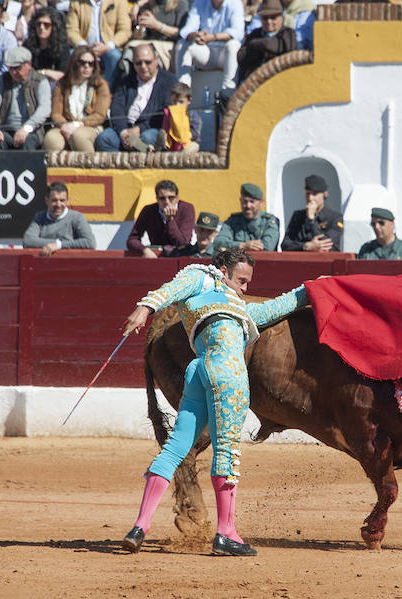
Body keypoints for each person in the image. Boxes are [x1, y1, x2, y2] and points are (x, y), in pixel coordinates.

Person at [120, 248, 311, 555]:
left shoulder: (235, 305)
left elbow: (271, 310)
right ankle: (226, 534)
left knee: (175, 448)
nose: (245, 288)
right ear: (223, 270)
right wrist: (145, 308)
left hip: (200, 369)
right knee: (226, 451)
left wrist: (306, 292)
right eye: (241, 280)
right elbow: (170, 290)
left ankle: (140, 525)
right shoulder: (202, 276)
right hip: (227, 371)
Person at [95, 44, 175, 152]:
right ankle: (121, 166)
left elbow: (166, 113)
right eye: (138, 63)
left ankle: (143, 162)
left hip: (151, 129)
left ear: (156, 60)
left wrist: (140, 129)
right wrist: (124, 133)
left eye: (147, 62)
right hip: (126, 129)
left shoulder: (169, 81)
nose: (143, 66)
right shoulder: (126, 81)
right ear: (133, 63)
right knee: (104, 139)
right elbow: (117, 109)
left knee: (147, 138)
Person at [0, 45, 51, 149]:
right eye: (10, 68)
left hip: (31, 131)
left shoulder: (40, 81)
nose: (13, 72)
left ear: (29, 64)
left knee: (29, 143)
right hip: (6, 131)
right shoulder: (3, 80)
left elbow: (44, 109)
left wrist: (26, 128)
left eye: (17, 68)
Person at [43, 45, 110, 152]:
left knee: (79, 137)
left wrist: (77, 125)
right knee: (51, 139)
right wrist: (65, 126)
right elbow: (56, 114)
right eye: (83, 63)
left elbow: (100, 115)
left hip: (91, 126)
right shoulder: (62, 84)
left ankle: (90, 168)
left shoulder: (101, 85)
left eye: (91, 63)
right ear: (74, 63)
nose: (87, 66)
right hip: (65, 125)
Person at [176, 0, 243, 91]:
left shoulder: (235, 3)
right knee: (182, 44)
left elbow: (238, 33)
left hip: (225, 54)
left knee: (233, 45)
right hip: (207, 52)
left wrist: (212, 37)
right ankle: (182, 92)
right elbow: (187, 30)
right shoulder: (199, 3)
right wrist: (196, 35)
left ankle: (228, 92)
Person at [65, 0, 130, 89]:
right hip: (84, 48)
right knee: (69, 55)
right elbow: (71, 30)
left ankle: (108, 92)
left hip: (109, 48)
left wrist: (108, 46)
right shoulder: (76, 3)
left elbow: (125, 30)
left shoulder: (119, 2)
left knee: (114, 56)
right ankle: (74, 91)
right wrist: (85, 47)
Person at [23, 181, 97, 256]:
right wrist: (54, 244)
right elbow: (28, 241)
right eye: (54, 200)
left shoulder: (77, 217)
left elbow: (90, 242)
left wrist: (59, 245)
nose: (58, 205)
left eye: (62, 200)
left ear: (68, 201)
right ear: (47, 200)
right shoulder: (39, 217)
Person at [127, 179, 195, 257]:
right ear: (157, 199)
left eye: (171, 198)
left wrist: (169, 220)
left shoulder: (186, 209)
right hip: (156, 256)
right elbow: (132, 239)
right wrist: (144, 250)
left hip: (179, 257)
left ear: (177, 198)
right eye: (162, 198)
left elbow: (183, 243)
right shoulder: (149, 211)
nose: (167, 202)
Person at [281, 174, 343, 252]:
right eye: (308, 194)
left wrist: (311, 220)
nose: (310, 198)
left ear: (325, 194)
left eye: (314, 194)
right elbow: (285, 245)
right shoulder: (298, 215)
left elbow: (325, 246)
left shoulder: (335, 218)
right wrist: (305, 246)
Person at [236, 0, 294, 84]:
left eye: (273, 17)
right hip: (254, 84)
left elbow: (286, 48)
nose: (269, 21)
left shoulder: (288, 33)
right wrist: (263, 50)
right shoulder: (255, 34)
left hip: (281, 82)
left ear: (282, 18)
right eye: (265, 17)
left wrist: (256, 45)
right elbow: (241, 57)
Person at [214, 182, 279, 253]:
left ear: (261, 202)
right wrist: (242, 245)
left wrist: (235, 246)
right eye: (244, 201)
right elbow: (219, 243)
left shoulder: (269, 221)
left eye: (252, 202)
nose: (248, 206)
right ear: (240, 201)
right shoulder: (232, 221)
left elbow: (268, 247)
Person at [127, 0, 189, 72]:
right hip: (148, 43)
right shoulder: (148, 5)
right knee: (130, 50)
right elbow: (138, 37)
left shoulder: (181, 4)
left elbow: (182, 33)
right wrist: (140, 26)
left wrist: (157, 25)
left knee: (152, 54)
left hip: (169, 46)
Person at [22, 6, 71, 84]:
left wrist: (43, 72)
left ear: (54, 27)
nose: (42, 27)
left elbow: (63, 75)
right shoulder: (27, 45)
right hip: (31, 85)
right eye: (38, 24)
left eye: (46, 25)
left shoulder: (62, 47)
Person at [157, 81, 200, 152]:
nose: (177, 105)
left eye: (181, 102)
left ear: (189, 101)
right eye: (174, 101)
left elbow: (195, 134)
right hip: (172, 145)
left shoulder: (192, 114)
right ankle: (158, 149)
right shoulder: (168, 113)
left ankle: (178, 155)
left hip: (187, 144)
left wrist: (180, 132)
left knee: (194, 146)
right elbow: (165, 130)